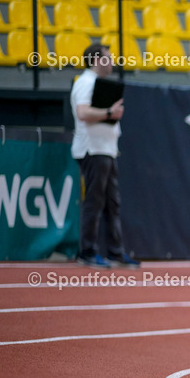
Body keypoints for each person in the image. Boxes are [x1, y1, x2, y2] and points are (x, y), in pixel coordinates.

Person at [71, 44, 140, 269]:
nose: (111, 62)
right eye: (107, 58)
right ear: (96, 60)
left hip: (107, 150)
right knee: (94, 201)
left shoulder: (98, 84)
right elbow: (83, 112)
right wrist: (109, 112)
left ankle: (115, 252)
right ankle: (87, 252)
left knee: (112, 203)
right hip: (93, 150)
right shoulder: (85, 82)